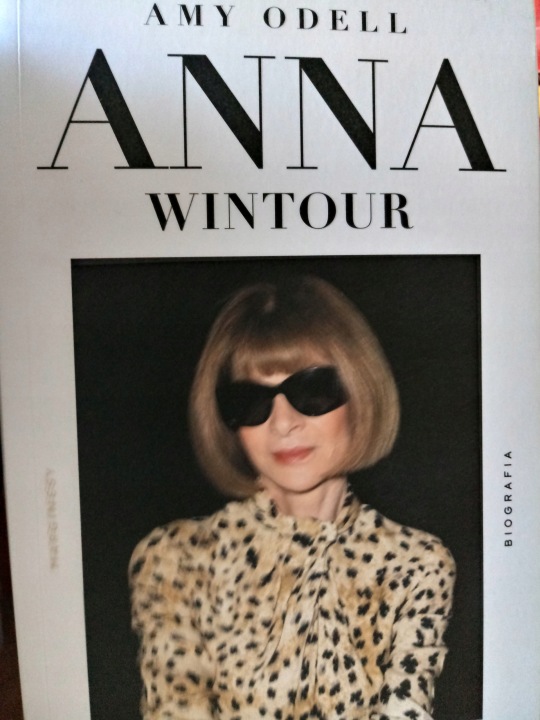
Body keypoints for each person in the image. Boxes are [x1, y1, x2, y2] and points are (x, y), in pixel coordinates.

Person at [129, 276, 456, 720]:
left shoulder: (416, 565)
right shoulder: (178, 560)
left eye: (311, 391)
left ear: (360, 393)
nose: (283, 423)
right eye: (250, 400)